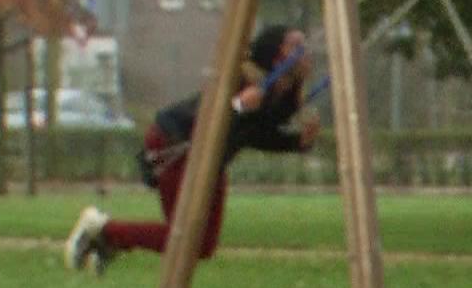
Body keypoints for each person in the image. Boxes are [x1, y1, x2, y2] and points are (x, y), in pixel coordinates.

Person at [64, 25, 321, 274]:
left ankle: (107, 239)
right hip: (175, 143)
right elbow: (205, 119)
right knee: (184, 237)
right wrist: (237, 107)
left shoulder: (282, 95)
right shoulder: (240, 80)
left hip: (211, 159)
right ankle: (103, 229)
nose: (305, 52)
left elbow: (253, 135)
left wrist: (297, 142)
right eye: (295, 45)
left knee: (204, 245)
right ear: (276, 56)